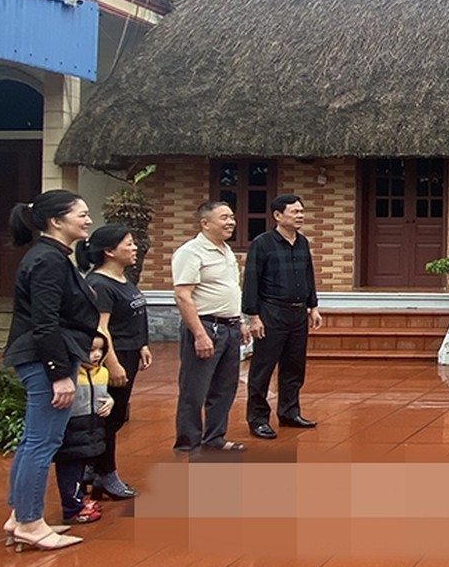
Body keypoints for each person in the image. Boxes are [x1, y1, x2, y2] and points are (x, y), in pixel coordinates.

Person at [2, 189, 97, 552]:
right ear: (56, 221)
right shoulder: (47, 260)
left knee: (33, 441)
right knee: (43, 442)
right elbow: (45, 323)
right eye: (81, 214)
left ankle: (20, 516)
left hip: (45, 356)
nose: (88, 220)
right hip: (43, 360)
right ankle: (29, 521)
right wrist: (59, 373)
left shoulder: (54, 256)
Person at [79, 225, 152, 498]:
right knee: (108, 418)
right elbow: (101, 329)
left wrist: (141, 344)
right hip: (114, 356)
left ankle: (92, 467)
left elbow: (131, 315)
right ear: (109, 251)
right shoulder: (99, 283)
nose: (135, 248)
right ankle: (105, 475)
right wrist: (114, 364)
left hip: (130, 351)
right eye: (129, 243)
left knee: (116, 416)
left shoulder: (122, 278)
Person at [171, 201, 249, 453]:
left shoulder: (225, 250)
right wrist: (199, 334)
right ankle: (188, 443)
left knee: (225, 387)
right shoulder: (191, 252)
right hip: (206, 326)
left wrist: (241, 321)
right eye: (224, 218)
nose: (231, 222)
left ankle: (215, 437)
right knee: (194, 389)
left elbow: (230, 290)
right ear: (205, 223)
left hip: (230, 326)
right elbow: (183, 295)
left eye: (232, 217)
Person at [243, 194, 323, 439]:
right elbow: (251, 281)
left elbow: (308, 276)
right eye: (295, 212)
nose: (300, 216)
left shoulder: (302, 242)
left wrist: (314, 306)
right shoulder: (262, 243)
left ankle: (289, 412)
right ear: (278, 215)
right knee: (263, 368)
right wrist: (253, 316)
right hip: (271, 312)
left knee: (294, 367)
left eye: (301, 211)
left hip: (298, 313)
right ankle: (258, 419)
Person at [53, 335, 113, 525]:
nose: (96, 355)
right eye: (91, 350)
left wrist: (110, 401)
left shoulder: (102, 372)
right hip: (73, 431)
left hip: (92, 429)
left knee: (80, 471)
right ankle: (72, 508)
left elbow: (102, 395)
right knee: (70, 471)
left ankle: (77, 502)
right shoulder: (70, 376)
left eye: (100, 350)